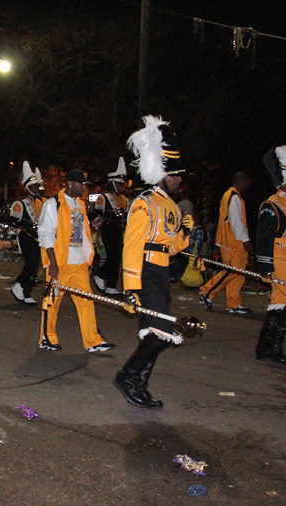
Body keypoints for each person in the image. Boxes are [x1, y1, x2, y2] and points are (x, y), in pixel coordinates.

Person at [114, 115, 192, 409]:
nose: (179, 179)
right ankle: (127, 377)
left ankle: (139, 384)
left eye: (180, 175)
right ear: (161, 172)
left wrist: (184, 235)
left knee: (157, 333)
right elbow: (132, 247)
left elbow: (168, 248)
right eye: (175, 174)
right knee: (161, 333)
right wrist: (131, 287)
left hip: (160, 272)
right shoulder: (144, 202)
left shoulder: (170, 205)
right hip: (145, 273)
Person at [38, 169, 114, 353]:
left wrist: (91, 226)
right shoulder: (53, 204)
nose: (84, 188)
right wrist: (52, 263)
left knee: (86, 302)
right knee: (52, 303)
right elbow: (46, 234)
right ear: (70, 183)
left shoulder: (80, 204)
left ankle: (93, 341)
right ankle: (46, 338)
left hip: (79, 264)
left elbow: (77, 232)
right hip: (61, 264)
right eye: (82, 184)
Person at [199, 172, 252, 313]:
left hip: (232, 240)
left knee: (238, 273)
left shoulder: (230, 196)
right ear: (242, 181)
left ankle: (233, 304)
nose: (248, 186)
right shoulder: (233, 197)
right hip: (232, 242)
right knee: (232, 271)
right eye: (247, 183)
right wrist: (245, 239)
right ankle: (206, 291)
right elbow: (235, 221)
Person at [255, 146, 286, 365]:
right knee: (281, 307)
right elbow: (264, 238)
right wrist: (265, 267)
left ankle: (266, 348)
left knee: (280, 307)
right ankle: (272, 348)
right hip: (279, 262)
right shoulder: (273, 204)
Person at [93, 157, 129, 295]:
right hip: (108, 230)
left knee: (117, 257)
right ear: (112, 183)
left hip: (119, 230)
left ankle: (111, 285)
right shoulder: (104, 197)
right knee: (112, 256)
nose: (121, 186)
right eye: (119, 184)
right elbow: (95, 214)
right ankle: (100, 275)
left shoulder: (124, 198)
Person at [10, 162, 43, 304]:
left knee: (34, 265)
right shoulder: (21, 203)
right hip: (25, 237)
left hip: (37, 238)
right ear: (27, 187)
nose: (36, 188)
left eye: (36, 186)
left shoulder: (40, 202)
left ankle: (26, 291)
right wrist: (20, 231)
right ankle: (20, 284)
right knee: (31, 262)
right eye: (33, 186)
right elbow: (12, 222)